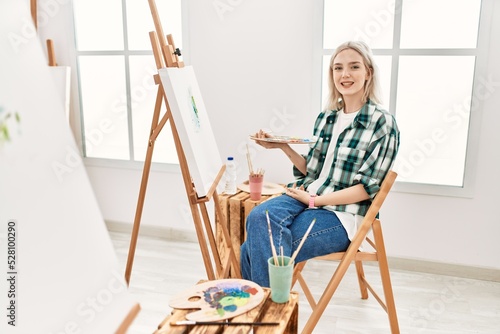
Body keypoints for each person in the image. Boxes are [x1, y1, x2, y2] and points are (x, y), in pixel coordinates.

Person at [240, 41, 400, 287]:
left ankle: (265, 319)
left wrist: (315, 202)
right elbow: (313, 171)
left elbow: (366, 190)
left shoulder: (382, 123)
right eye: (338, 68)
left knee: (254, 248)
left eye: (354, 67)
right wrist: (282, 146)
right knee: (259, 217)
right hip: (309, 194)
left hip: (343, 214)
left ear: (368, 73)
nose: (345, 74)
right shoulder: (326, 118)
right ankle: (269, 315)